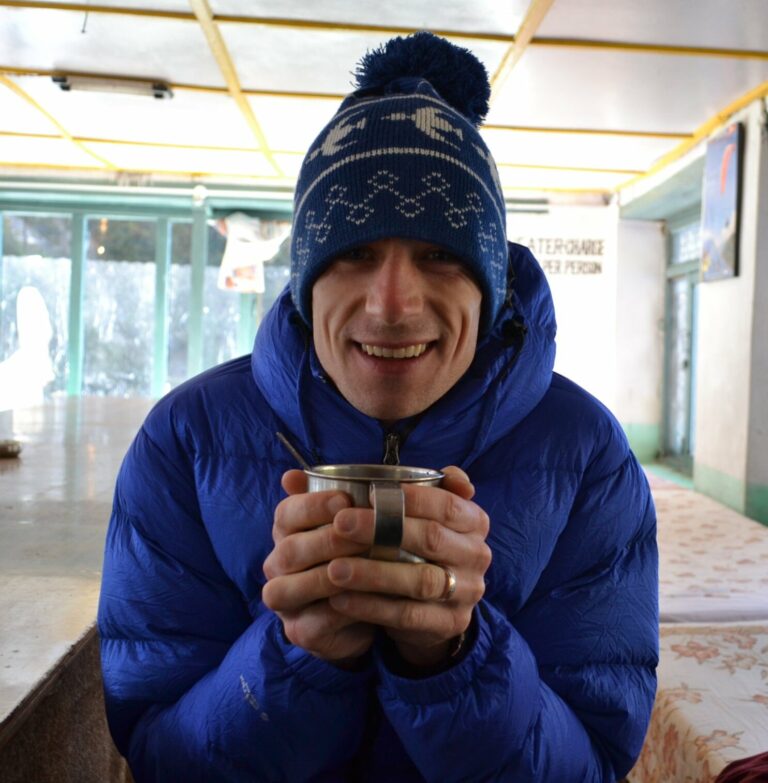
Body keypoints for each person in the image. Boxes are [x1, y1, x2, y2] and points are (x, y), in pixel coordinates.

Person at [98, 32, 658, 782]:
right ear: (305, 280)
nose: (392, 304)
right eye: (354, 253)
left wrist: (458, 657)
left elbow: (595, 765)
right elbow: (157, 754)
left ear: (488, 290)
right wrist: (294, 657)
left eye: (441, 255)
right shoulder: (185, 442)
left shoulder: (588, 455)